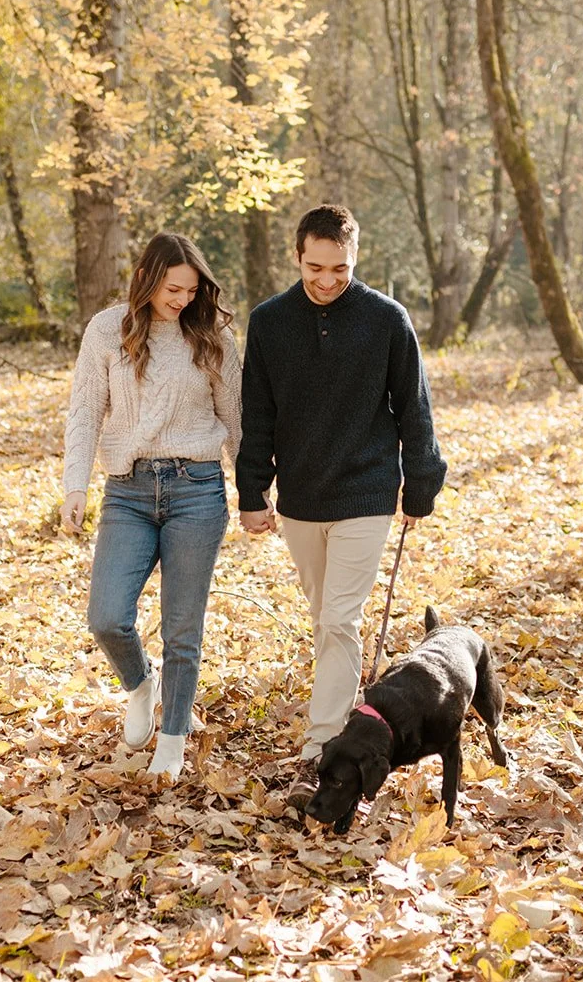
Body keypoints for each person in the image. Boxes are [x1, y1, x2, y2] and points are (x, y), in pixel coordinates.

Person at [236, 204, 447, 810]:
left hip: (367, 493)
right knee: (324, 616)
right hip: (301, 500)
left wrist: (421, 482)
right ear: (297, 256)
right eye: (315, 268)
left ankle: (323, 741)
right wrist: (253, 493)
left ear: (356, 259)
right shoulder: (271, 323)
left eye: (340, 269)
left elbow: (414, 407)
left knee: (340, 619)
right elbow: (260, 417)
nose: (327, 280)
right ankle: (338, 714)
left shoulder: (386, 320)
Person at [62, 232, 240, 779]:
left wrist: (256, 492)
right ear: (147, 279)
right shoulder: (106, 330)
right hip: (128, 492)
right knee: (107, 617)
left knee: (182, 630)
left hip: (197, 490)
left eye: (191, 290)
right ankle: (141, 684)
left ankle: (174, 737)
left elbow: (236, 419)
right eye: (172, 288)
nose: (182, 300)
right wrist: (75, 486)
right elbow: (86, 410)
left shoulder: (211, 337)